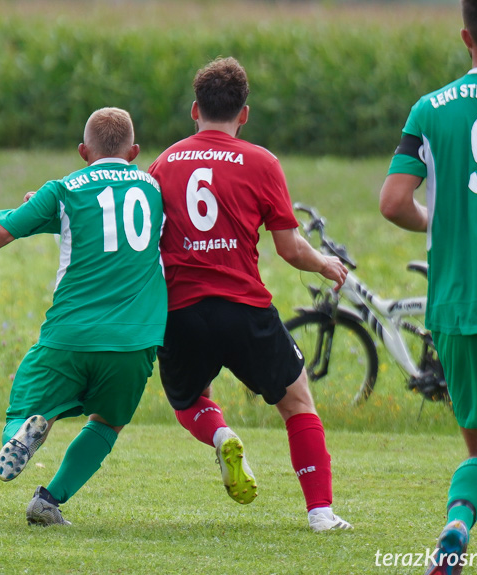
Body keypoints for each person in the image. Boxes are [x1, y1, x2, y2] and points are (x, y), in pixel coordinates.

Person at [0, 107, 167, 526]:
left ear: (82, 151)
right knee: (107, 424)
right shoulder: (155, 190)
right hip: (137, 337)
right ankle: (48, 501)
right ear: (134, 151)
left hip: (71, 334)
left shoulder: (63, 190)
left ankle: (21, 435)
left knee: (24, 401)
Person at [147, 57, 352, 532]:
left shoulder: (165, 161)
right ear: (244, 114)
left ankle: (220, 435)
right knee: (297, 403)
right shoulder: (262, 162)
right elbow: (288, 248)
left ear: (195, 111)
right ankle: (321, 513)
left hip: (181, 311)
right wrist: (323, 263)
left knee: (188, 401)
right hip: (244, 308)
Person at [379, 1, 477, 572]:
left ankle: (459, 522)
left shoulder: (430, 108)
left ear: (466, 36)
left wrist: (438, 218)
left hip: (456, 303)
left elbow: (393, 201)